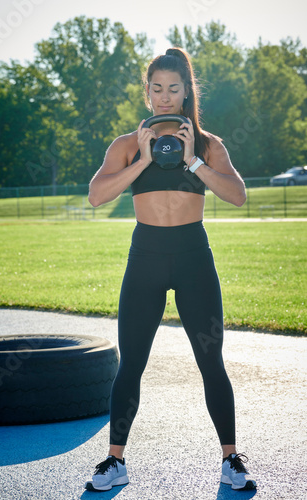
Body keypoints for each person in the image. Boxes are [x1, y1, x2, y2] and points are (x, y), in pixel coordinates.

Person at [86, 47, 256, 492]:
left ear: (186, 93)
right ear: (147, 93)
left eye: (173, 88)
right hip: (145, 258)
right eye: (157, 88)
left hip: (193, 257)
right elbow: (96, 196)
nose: (164, 96)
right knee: (132, 365)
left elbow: (237, 195)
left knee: (210, 361)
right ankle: (114, 461)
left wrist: (192, 161)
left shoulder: (206, 143)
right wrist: (142, 159)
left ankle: (231, 458)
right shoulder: (126, 145)